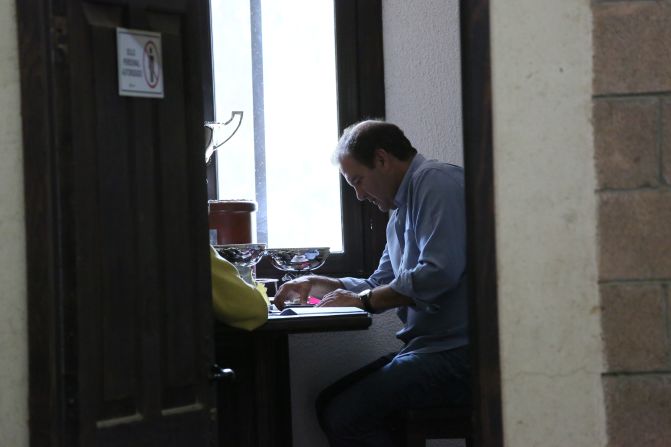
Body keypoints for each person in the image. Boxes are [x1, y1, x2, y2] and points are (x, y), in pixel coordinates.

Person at [274, 120, 470, 446]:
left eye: (359, 181)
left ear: (382, 159)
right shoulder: (398, 214)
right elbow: (378, 282)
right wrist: (322, 282)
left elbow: (439, 272)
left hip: (461, 355)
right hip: (427, 350)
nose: (360, 195)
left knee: (345, 416)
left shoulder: (436, 182)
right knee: (327, 403)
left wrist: (364, 301)